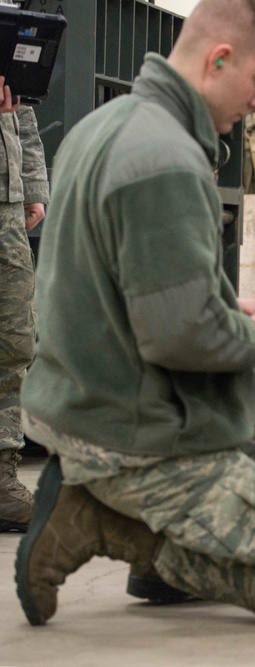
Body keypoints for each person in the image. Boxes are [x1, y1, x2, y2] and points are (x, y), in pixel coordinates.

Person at [15, 0, 255, 627]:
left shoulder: (107, 125)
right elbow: (177, 335)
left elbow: (126, 288)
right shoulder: (164, 158)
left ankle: (159, 524)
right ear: (218, 60)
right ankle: (119, 528)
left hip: (91, 391)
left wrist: (232, 308)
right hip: (125, 432)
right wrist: (251, 328)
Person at [0, 72, 47, 533]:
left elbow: (24, 110)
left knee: (14, 341)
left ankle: (1, 479)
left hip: (7, 207)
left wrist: (32, 186)